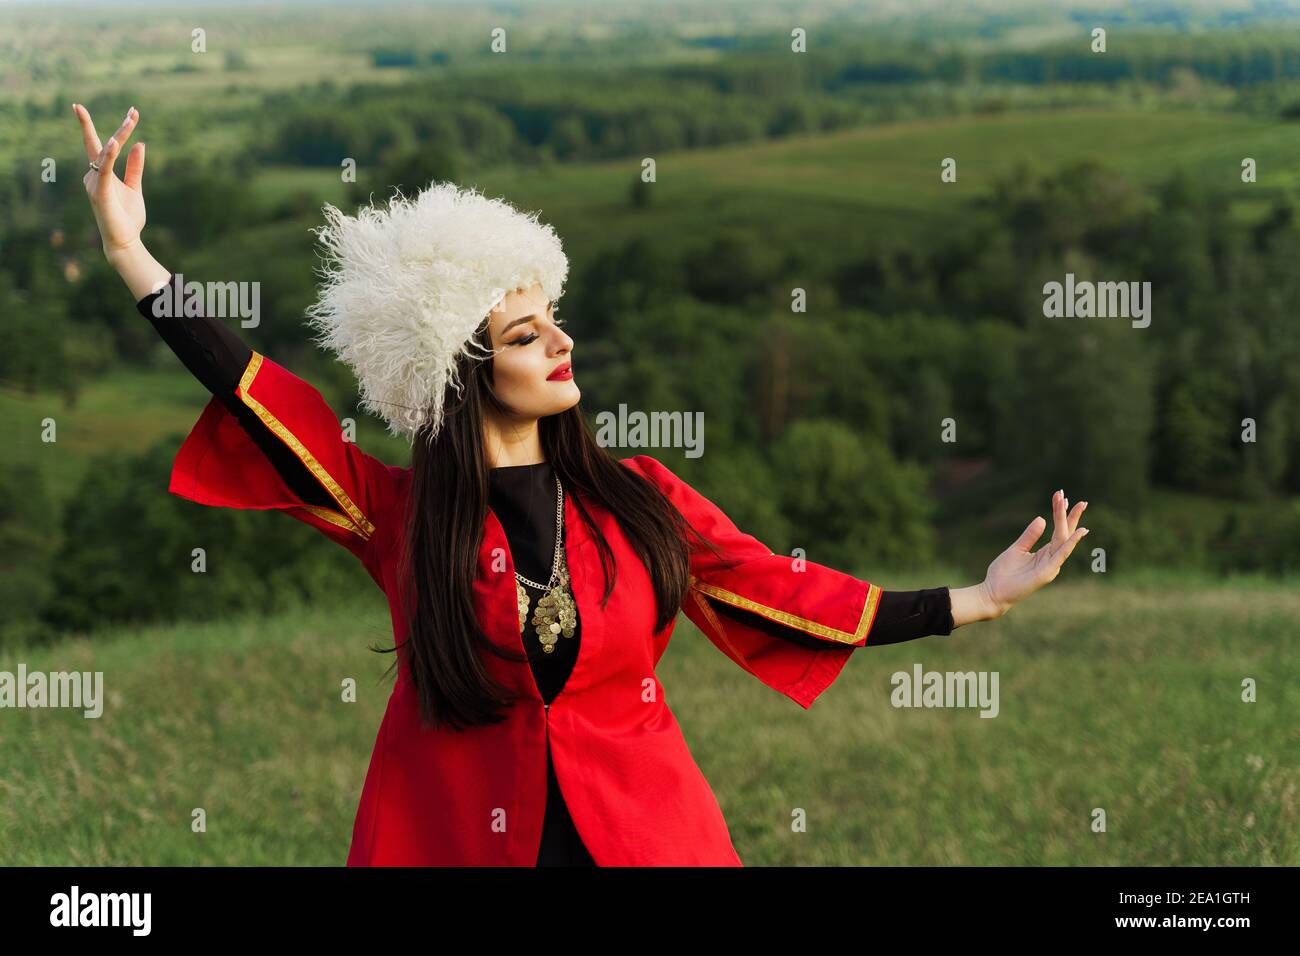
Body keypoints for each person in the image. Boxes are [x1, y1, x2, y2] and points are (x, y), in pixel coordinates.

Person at [74, 103, 1090, 866]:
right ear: (464, 368)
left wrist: (980, 599)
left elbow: (781, 588)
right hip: (459, 839)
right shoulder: (404, 517)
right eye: (525, 333)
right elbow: (269, 407)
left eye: (553, 317)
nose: (561, 341)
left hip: (647, 835)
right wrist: (135, 256)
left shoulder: (638, 497)